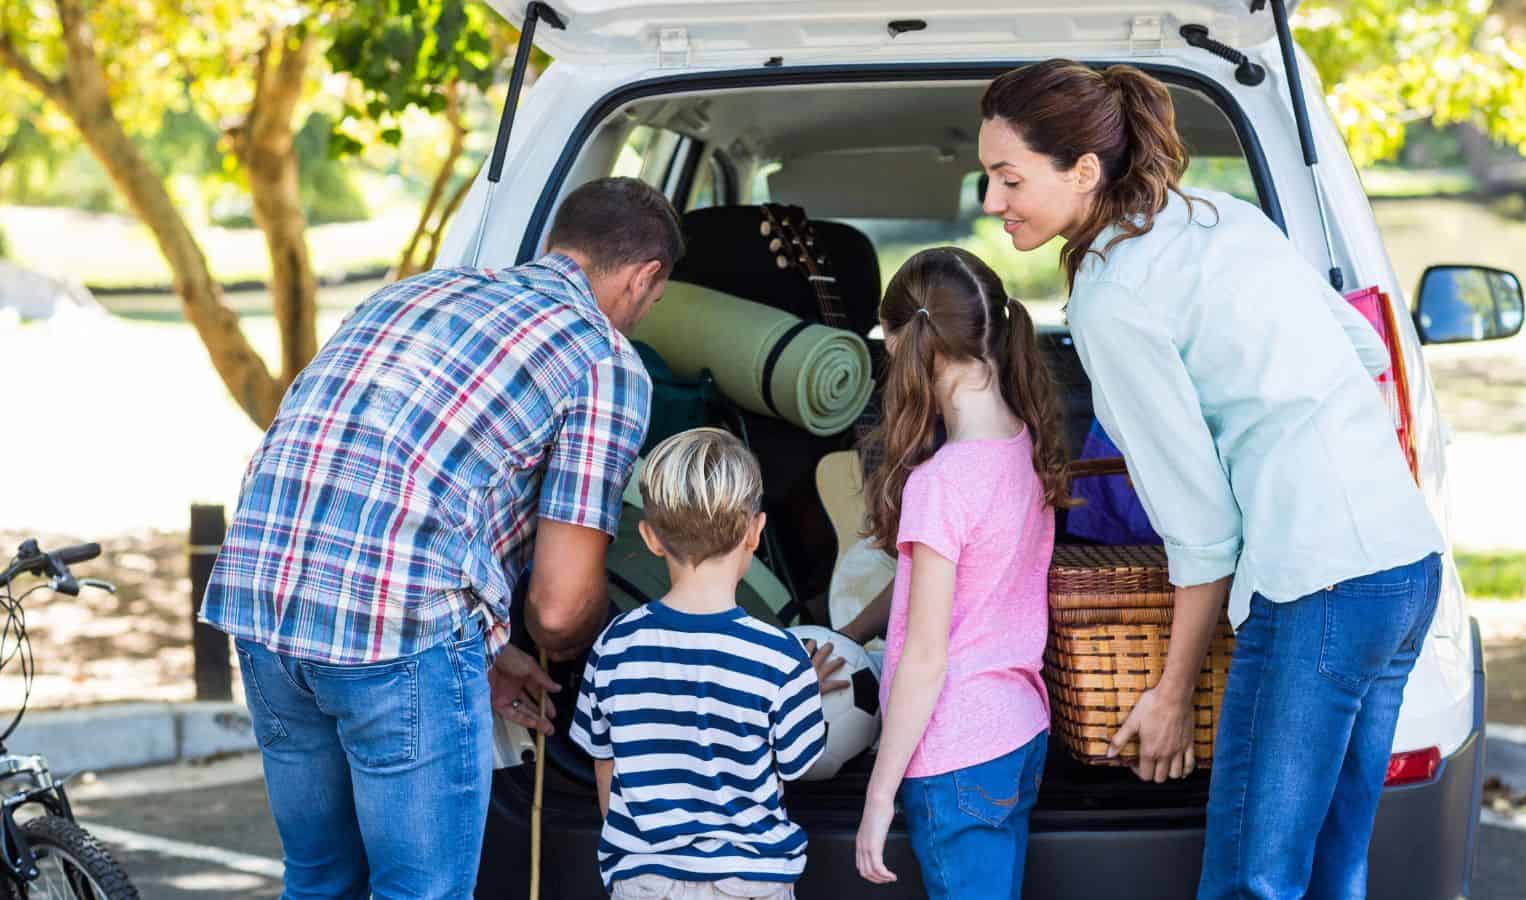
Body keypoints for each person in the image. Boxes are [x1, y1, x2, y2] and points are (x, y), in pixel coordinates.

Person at [978, 59, 1446, 897]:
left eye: (1008, 178)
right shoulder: (1219, 218)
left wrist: (1168, 693)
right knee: (1334, 870)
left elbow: (1199, 528)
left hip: (1319, 586)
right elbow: (1366, 352)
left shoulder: (1113, 294)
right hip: (1406, 566)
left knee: (1251, 880)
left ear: (1084, 172)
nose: (990, 201)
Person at [200, 176, 683, 898]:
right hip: (393, 636)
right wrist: (607, 646)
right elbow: (557, 607)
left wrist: (490, 649)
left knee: (320, 876)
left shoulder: (413, 293)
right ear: (646, 277)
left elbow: (387, 481)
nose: (644, 315)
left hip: (258, 600)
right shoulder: (603, 358)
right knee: (418, 890)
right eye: (654, 299)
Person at [852, 247, 1072, 899]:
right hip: (1018, 728)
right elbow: (943, 588)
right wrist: (849, 627)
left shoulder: (941, 483)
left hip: (954, 754)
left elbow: (924, 656)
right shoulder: (1023, 445)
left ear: (905, 341)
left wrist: (878, 794)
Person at [571, 427, 826, 899]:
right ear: (755, 532)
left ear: (649, 536)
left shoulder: (615, 645)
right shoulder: (780, 656)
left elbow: (603, 762)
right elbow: (798, 763)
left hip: (646, 879)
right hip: (752, 880)